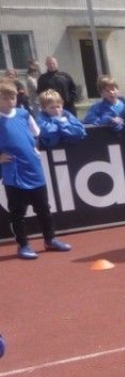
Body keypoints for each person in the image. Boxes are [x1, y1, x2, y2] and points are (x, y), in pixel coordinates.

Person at [0, 80, 72, 260]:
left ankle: (50, 240)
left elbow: (36, 133)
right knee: (18, 212)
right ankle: (23, 245)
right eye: (5, 98)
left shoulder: (24, 114)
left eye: (13, 97)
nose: (10, 101)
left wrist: (33, 149)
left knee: (44, 209)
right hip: (14, 172)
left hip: (34, 169)